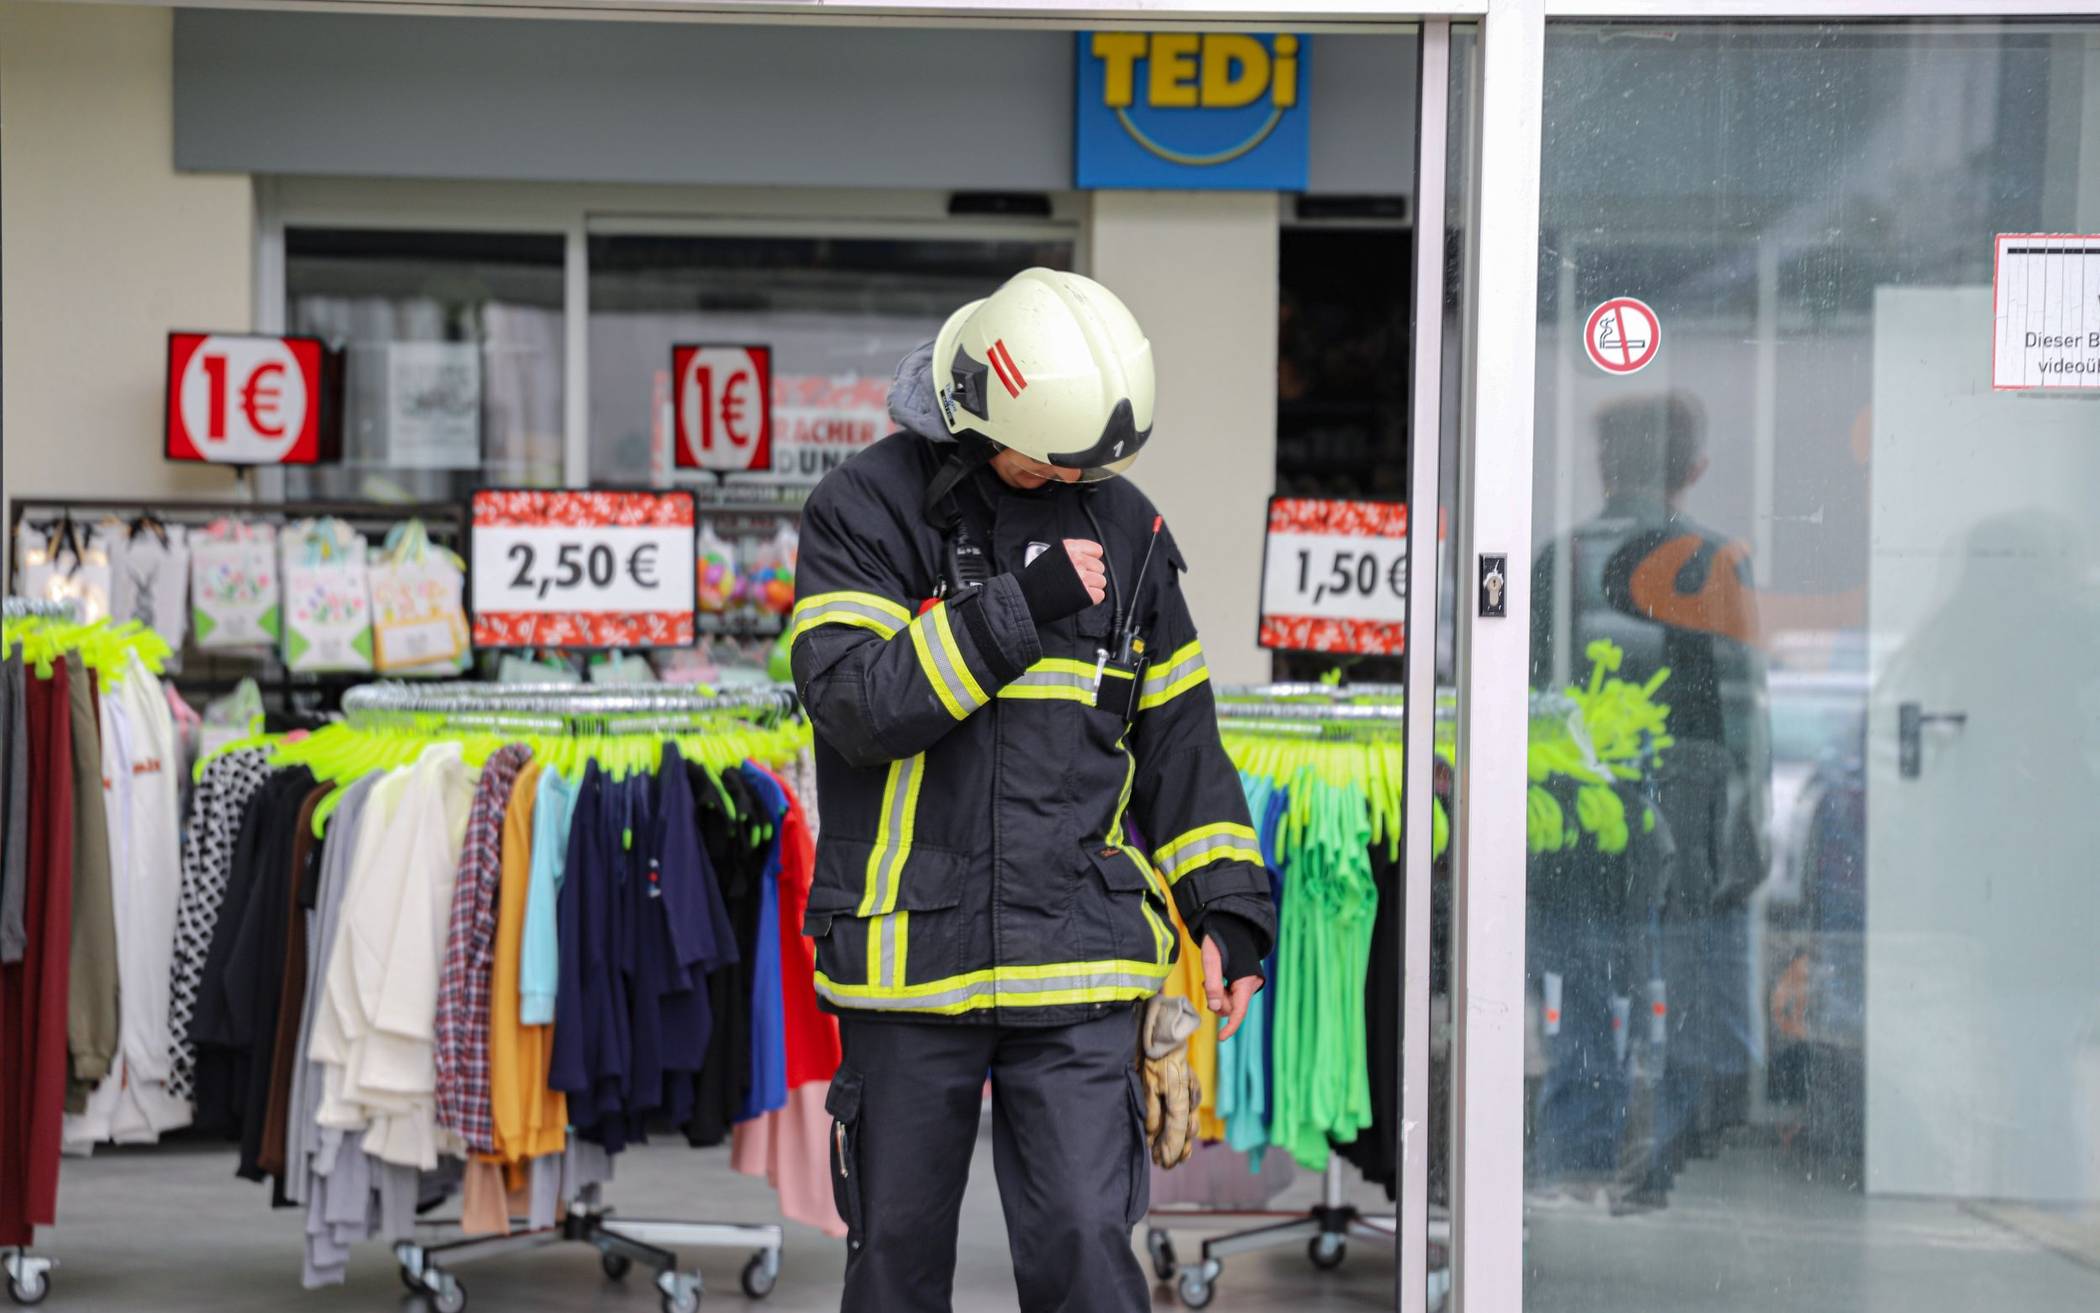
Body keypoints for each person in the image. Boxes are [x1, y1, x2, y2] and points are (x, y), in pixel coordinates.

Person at [790, 268, 1277, 1313]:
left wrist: (1229, 907)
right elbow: (857, 705)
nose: (1069, 480)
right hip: (910, 961)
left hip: (1078, 952)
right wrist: (1021, 605)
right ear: (977, 410)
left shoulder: (1129, 524)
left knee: (1086, 1251)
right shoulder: (863, 510)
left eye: (1090, 465)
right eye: (1049, 460)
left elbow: (1181, 733)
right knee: (896, 1264)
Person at [1529, 391, 1772, 1209]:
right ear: (1693, 470)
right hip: (1686, 809)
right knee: (1675, 989)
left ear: (1603, 464)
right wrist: (1747, 825)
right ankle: (1655, 1165)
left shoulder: (1557, 560)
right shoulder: (1714, 559)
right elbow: (1742, 708)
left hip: (1579, 811)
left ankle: (1579, 1157)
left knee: (1585, 987)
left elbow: (1525, 705)